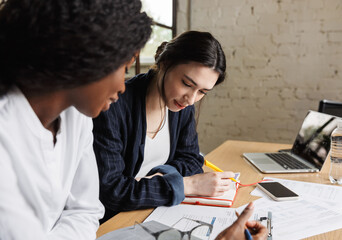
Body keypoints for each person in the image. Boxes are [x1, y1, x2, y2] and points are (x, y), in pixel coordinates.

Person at [0, 0, 152, 239]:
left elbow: (87, 211)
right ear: (89, 55)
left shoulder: (76, 117)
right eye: (124, 68)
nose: (123, 86)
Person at [93, 30, 236, 222]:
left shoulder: (181, 105)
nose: (191, 99)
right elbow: (113, 191)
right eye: (186, 83)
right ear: (165, 62)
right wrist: (186, 185)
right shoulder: (112, 106)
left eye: (202, 91)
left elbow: (192, 160)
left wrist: (157, 179)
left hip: (156, 210)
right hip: (115, 219)